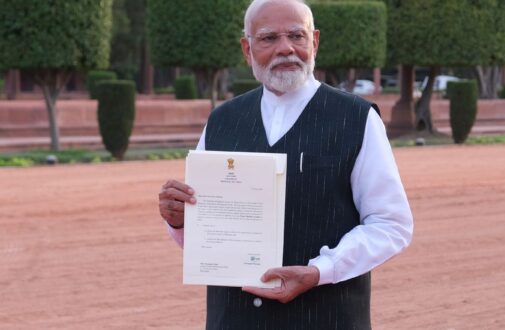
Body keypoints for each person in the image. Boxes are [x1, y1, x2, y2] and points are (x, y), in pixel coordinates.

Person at [158, 0, 413, 328]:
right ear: (247, 49)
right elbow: (208, 228)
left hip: (325, 317)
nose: (286, 49)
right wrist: (178, 221)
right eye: (268, 38)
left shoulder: (356, 119)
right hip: (233, 318)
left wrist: (322, 270)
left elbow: (391, 224)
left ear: (315, 42)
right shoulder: (222, 121)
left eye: (297, 36)